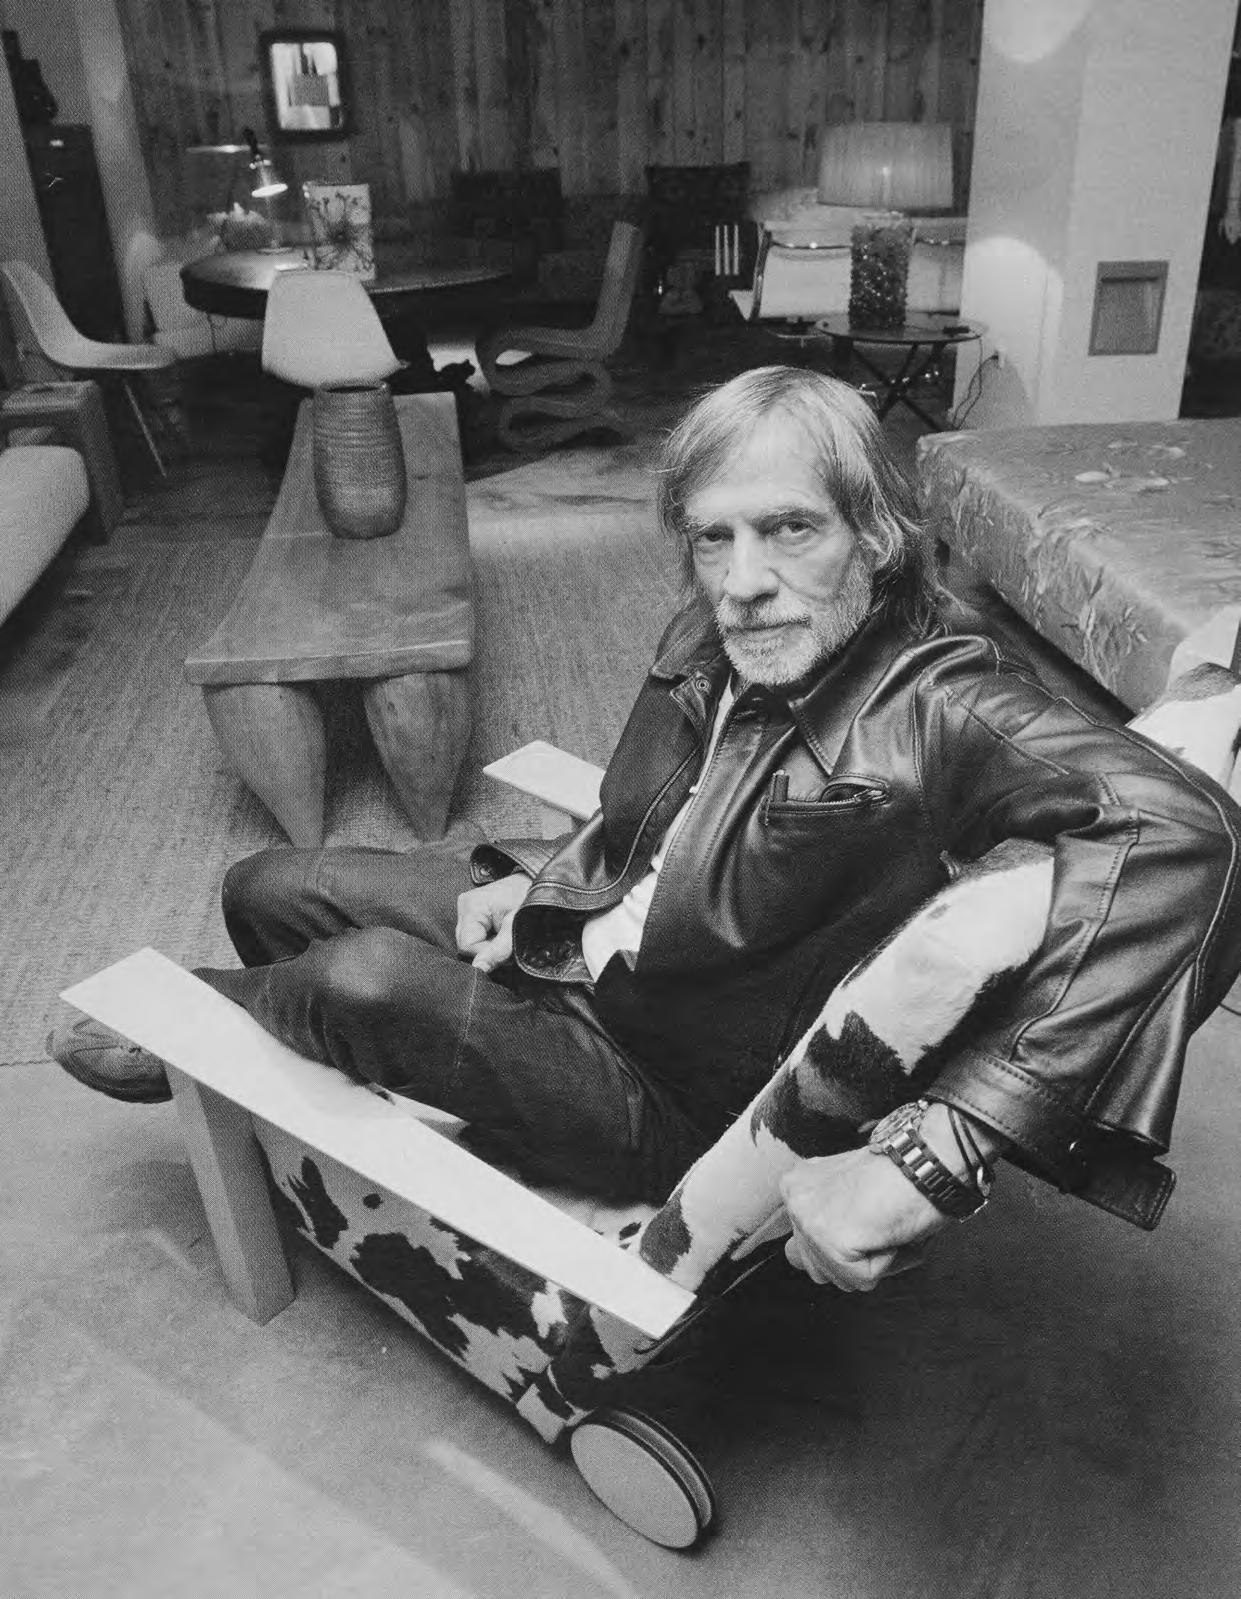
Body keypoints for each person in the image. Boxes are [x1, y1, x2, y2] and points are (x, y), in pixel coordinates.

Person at [52, 366, 1241, 1294]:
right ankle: (321, 1098)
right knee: (267, 884)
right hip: (587, 945)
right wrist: (541, 889)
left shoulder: (946, 706)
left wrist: (945, 1142)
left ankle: (210, 1030)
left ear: (874, 537)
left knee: (357, 978)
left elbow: (1190, 834)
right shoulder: (715, 632)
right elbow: (658, 827)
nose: (740, 580)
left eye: (790, 529)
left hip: (667, 1087)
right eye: (712, 536)